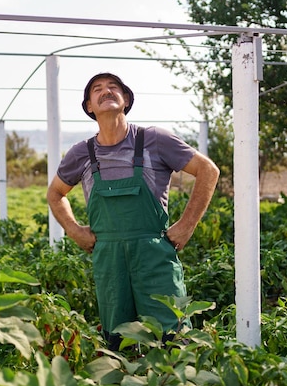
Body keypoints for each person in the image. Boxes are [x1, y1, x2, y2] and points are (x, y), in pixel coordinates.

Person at [46, 72, 220, 350]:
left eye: (114, 87)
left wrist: (187, 225)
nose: (106, 91)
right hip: (109, 258)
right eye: (97, 89)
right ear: (89, 106)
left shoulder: (155, 140)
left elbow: (208, 170)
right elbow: (55, 194)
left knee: (173, 336)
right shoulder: (81, 153)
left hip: (153, 253)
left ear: (126, 99)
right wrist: (74, 229)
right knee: (116, 340)